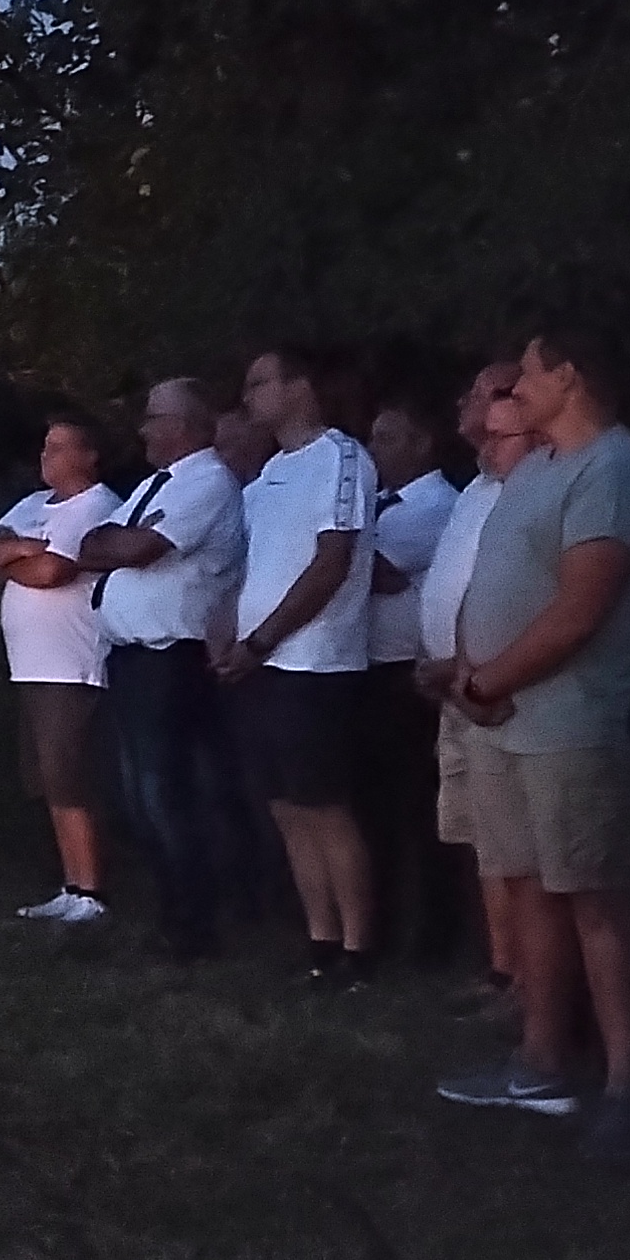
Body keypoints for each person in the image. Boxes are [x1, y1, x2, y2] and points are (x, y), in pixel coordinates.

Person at [437, 326, 630, 1147]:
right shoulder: (536, 467)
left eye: (528, 376)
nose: (514, 392)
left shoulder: (615, 470)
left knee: (596, 897)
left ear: (569, 377)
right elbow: (493, 582)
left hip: (571, 721)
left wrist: (490, 681)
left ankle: (627, 1080)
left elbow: (581, 608)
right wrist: (470, 676)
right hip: (501, 718)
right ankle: (540, 1061)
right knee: (529, 887)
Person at [218, 345, 383, 981]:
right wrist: (230, 636)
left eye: (260, 382)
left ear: (300, 386)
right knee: (286, 807)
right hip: (260, 667)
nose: (249, 396)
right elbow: (254, 566)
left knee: (324, 805)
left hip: (315, 665)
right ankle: (322, 940)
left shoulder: (341, 458)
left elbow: (332, 562)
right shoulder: (265, 478)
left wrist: (262, 640)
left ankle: (359, 948)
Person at [77, 378, 248, 960]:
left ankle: (192, 922)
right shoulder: (159, 484)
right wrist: (115, 541)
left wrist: (119, 543)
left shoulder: (208, 481)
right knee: (142, 794)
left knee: (165, 793)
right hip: (133, 657)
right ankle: (173, 910)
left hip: (170, 658)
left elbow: (138, 548)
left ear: (185, 425)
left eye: (154, 418)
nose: (143, 429)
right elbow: (92, 544)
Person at [414, 361, 534, 1011]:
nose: (470, 405)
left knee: (510, 841)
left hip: (496, 689)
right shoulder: (477, 488)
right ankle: (502, 965)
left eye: (483, 394)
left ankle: (528, 981)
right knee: (479, 838)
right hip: (456, 690)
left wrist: (463, 667)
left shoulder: (527, 488)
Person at [0, 408, 123, 924]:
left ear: (90, 455)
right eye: (45, 445)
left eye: (59, 447)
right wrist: (20, 548)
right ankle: (71, 881)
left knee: (70, 775)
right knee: (45, 778)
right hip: (29, 664)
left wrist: (14, 562)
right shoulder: (32, 504)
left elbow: (53, 571)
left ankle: (92, 887)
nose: (46, 455)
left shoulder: (99, 506)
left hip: (71, 664)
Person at [359, 389, 461, 966]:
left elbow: (374, 572)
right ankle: (384, 920)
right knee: (373, 804)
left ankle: (432, 933)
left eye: (388, 437)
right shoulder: (377, 504)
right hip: (368, 667)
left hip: (408, 672)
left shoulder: (435, 505)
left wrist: (328, 543)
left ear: (423, 444)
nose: (374, 448)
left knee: (417, 807)